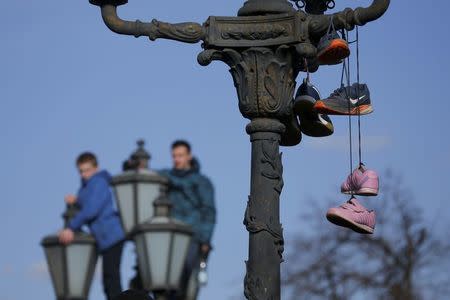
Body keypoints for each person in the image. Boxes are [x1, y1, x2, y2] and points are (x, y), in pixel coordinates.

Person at [59, 152, 126, 300]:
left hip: (112, 236)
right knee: (109, 280)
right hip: (106, 238)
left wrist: (71, 227)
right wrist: (76, 201)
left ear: (96, 168)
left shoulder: (98, 182)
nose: (84, 174)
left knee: (111, 278)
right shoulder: (87, 186)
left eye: (87, 170)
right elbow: (87, 204)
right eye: (81, 171)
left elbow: (91, 209)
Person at [159, 140, 216, 299]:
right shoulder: (165, 177)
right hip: (171, 235)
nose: (177, 159)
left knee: (185, 275)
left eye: (180, 155)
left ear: (189, 156)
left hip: (193, 236)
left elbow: (209, 212)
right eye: (174, 156)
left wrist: (205, 240)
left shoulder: (202, 182)